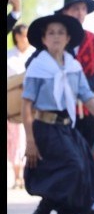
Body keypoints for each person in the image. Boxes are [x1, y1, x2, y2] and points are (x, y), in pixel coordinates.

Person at [22, 14, 94, 214]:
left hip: (66, 128)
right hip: (45, 129)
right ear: (44, 39)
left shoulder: (73, 65)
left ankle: (61, 210)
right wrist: (30, 141)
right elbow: (26, 105)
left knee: (86, 170)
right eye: (51, 33)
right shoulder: (38, 66)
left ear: (68, 38)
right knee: (73, 167)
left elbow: (86, 95)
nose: (56, 37)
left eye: (61, 33)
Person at [7, 22, 33, 190]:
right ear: (17, 36)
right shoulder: (9, 56)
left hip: (31, 105)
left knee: (27, 138)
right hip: (13, 104)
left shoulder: (34, 55)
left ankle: (25, 174)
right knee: (14, 139)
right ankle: (17, 175)